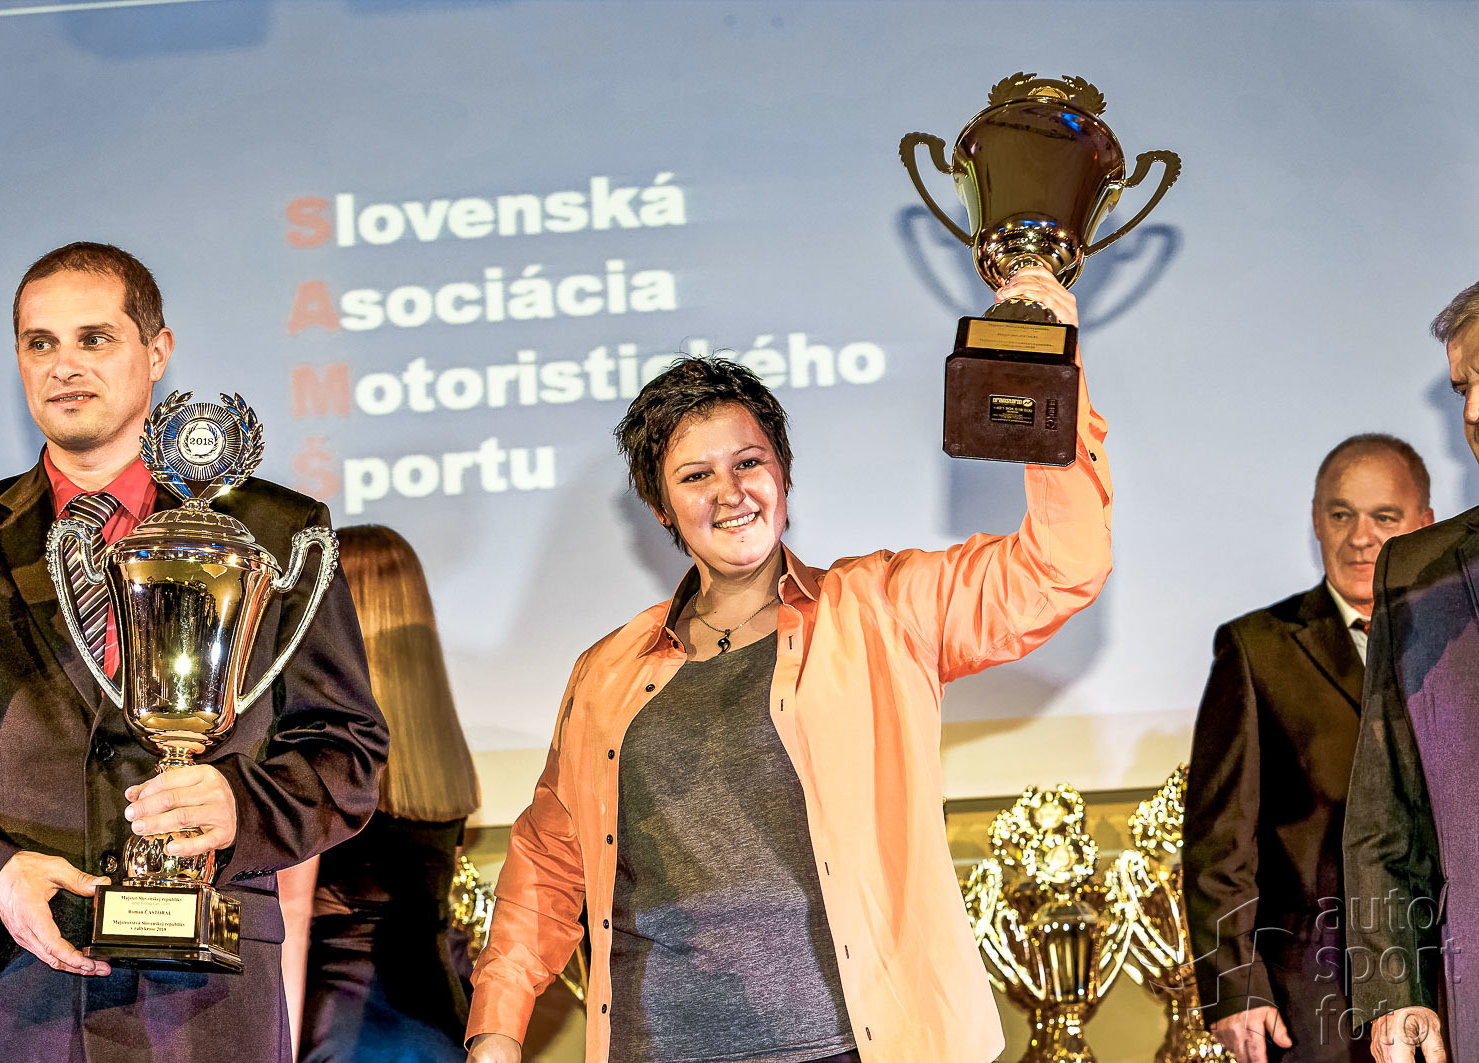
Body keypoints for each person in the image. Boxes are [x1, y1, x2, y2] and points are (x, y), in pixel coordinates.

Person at [463, 267, 1111, 1063]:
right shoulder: (606, 669)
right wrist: (496, 1026)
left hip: (843, 1047)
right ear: (661, 508)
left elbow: (1059, 567)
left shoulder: (882, 609)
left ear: (783, 473)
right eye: (695, 475)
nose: (729, 492)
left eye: (748, 462)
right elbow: (548, 858)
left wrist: (1046, 366)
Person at [0, 242, 389, 1062]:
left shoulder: (274, 530)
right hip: (4, 1002)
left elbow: (347, 750)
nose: (63, 365)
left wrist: (240, 805)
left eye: (95, 337)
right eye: (39, 342)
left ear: (157, 352)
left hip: (204, 1007)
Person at [1183, 435, 1433, 1063]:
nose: (1360, 537)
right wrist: (1236, 988)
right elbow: (1220, 842)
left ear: (1425, 525)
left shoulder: (1457, 643)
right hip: (1314, 996)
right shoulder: (1257, 649)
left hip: (1448, 975)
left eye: (1384, 517)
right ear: (1316, 520)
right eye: (1341, 514)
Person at [277, 524, 482, 1063]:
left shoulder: (319, 754)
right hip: (439, 1025)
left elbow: (292, 916)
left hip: (333, 1029)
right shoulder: (446, 760)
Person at [1343, 282, 1479, 1062]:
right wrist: (1396, 990)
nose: (1473, 411)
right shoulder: (1414, 574)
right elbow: (1384, 814)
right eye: (1462, 388)